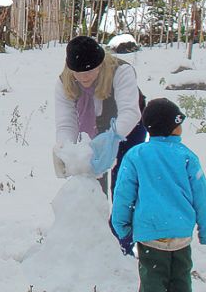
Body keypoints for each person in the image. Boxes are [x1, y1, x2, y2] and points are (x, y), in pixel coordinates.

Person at [111, 98, 206, 292]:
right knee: (181, 275)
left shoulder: (136, 155)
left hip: (150, 234)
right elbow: (202, 198)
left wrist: (121, 225)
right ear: (172, 127)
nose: (182, 127)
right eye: (179, 122)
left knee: (152, 275)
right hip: (180, 232)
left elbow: (123, 194)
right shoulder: (187, 157)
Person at [53, 35, 147, 196]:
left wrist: (111, 139)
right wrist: (65, 148)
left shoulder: (121, 71)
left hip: (130, 127)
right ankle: (96, 218)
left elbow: (129, 112)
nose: (84, 77)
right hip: (92, 130)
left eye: (89, 71)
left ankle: (121, 220)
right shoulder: (64, 83)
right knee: (91, 182)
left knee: (123, 182)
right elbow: (67, 123)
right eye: (78, 72)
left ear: (100, 64)